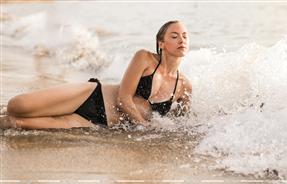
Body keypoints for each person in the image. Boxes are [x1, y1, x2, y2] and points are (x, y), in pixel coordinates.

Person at [4, 20, 192, 129]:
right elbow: (123, 99)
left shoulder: (184, 86)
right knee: (17, 106)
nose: (181, 40)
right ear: (161, 43)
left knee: (15, 123)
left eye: (185, 36)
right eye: (174, 36)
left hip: (98, 123)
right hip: (90, 96)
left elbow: (181, 124)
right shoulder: (144, 59)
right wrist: (145, 127)